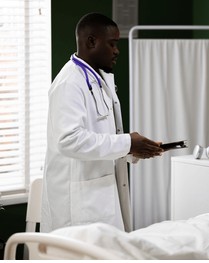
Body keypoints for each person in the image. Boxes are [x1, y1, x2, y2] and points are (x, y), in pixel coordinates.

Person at [41, 13, 163, 233]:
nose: (117, 50)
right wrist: (127, 143)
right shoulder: (70, 82)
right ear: (91, 41)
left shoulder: (99, 80)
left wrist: (131, 150)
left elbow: (100, 135)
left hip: (99, 196)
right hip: (78, 206)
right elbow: (69, 141)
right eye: (112, 43)